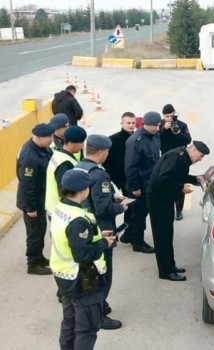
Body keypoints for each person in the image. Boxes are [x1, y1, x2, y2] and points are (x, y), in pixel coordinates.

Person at [50, 169, 116, 349]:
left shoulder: (61, 208)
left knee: (70, 323)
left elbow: (71, 239)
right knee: (86, 329)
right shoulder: (78, 219)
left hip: (64, 276)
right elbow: (83, 254)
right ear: (83, 190)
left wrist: (97, 236)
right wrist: (104, 243)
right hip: (82, 280)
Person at [76, 134, 126, 330]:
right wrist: (121, 208)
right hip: (101, 228)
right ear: (100, 152)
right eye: (107, 151)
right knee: (103, 273)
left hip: (84, 225)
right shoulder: (99, 174)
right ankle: (99, 315)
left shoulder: (79, 167)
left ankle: (100, 305)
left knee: (91, 270)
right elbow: (103, 208)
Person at [148, 141, 210, 281]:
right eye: (200, 156)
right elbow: (164, 178)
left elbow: (176, 176)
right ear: (193, 150)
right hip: (158, 200)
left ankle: (171, 265)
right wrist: (181, 188)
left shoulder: (182, 157)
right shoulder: (177, 157)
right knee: (162, 236)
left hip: (164, 199)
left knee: (168, 234)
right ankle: (165, 271)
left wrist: (196, 179)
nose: (200, 159)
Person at [16, 122, 54, 275]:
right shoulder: (30, 156)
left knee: (40, 229)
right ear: (38, 138)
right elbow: (27, 184)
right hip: (33, 201)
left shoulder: (41, 148)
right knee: (35, 232)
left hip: (41, 197)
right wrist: (30, 207)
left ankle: (39, 257)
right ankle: (33, 263)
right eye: (48, 137)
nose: (51, 139)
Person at [121, 111, 161, 254]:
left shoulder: (155, 136)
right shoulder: (135, 141)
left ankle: (128, 235)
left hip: (150, 182)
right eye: (155, 126)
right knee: (139, 214)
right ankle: (138, 242)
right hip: (140, 186)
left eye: (158, 125)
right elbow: (130, 166)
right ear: (146, 125)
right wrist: (134, 187)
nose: (157, 128)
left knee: (140, 213)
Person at [160, 104, 192, 221]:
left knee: (180, 184)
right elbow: (156, 140)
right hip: (166, 159)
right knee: (166, 183)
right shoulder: (160, 125)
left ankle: (179, 210)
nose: (168, 118)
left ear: (174, 113)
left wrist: (179, 133)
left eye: (170, 116)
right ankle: (167, 208)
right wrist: (164, 130)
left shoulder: (182, 125)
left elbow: (188, 140)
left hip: (180, 159)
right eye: (166, 116)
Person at [45, 126, 87, 217]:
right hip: (62, 212)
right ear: (71, 143)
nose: (83, 146)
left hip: (54, 208)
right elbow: (65, 192)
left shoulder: (58, 155)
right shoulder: (65, 164)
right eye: (81, 143)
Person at [104, 112, 137, 192]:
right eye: (128, 123)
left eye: (133, 123)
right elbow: (106, 161)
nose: (131, 125)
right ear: (121, 123)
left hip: (132, 178)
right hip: (117, 178)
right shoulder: (112, 140)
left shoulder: (138, 138)